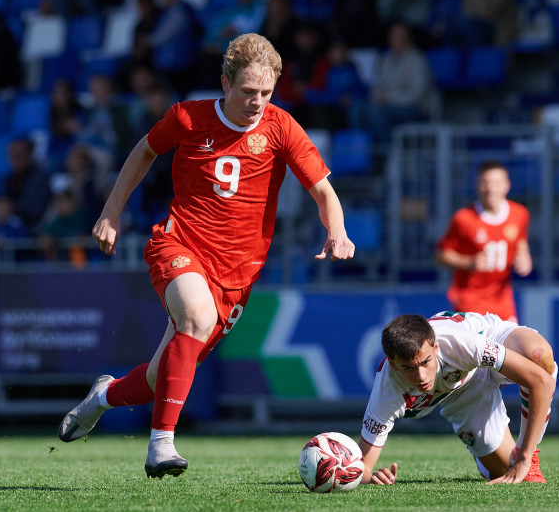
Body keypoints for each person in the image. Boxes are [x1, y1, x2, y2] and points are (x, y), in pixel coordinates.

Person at [58, 33, 355, 479]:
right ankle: (161, 445)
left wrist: (338, 231)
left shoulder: (281, 127)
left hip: (237, 275)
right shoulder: (187, 117)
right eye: (248, 91)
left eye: (266, 92)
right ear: (225, 83)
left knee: (160, 379)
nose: (257, 102)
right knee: (196, 316)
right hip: (179, 244)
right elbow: (144, 151)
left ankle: (102, 396)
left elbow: (323, 191)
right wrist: (111, 212)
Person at [359, 311, 558, 485]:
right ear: (393, 364)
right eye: (408, 368)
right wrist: (372, 478)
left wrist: (524, 456)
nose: (421, 376)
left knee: (538, 357)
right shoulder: (386, 390)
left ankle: (526, 454)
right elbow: (362, 467)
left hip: (486, 340)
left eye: (426, 362)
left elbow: (543, 381)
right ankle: (481, 451)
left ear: (436, 348)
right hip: (461, 396)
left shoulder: (457, 342)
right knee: (508, 472)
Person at [434, 160, 531, 322]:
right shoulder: (464, 218)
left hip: (503, 304)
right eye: (485, 183)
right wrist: (468, 262)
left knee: (517, 339)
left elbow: (520, 241)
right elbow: (440, 255)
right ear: (477, 186)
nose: (491, 189)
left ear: (507, 186)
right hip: (469, 304)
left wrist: (525, 257)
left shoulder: (520, 214)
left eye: (496, 183)